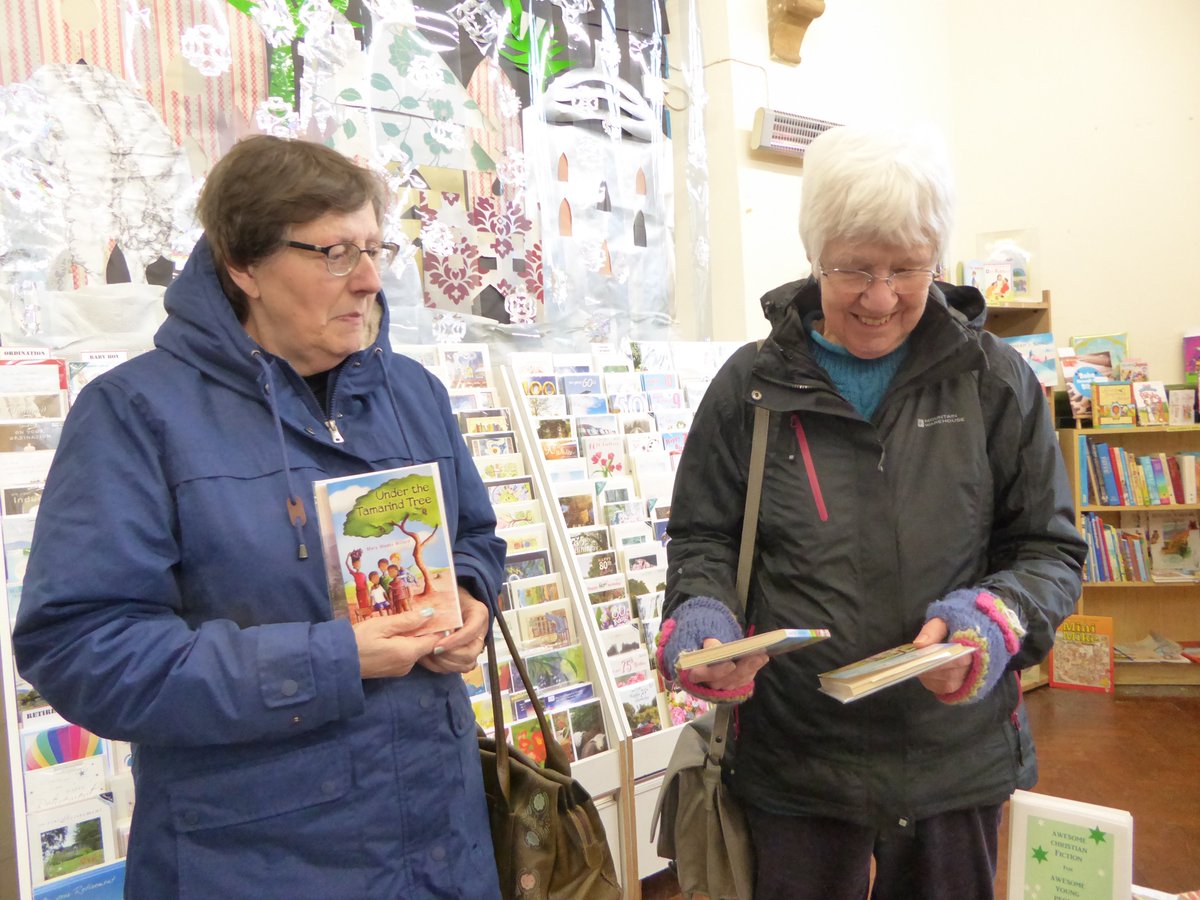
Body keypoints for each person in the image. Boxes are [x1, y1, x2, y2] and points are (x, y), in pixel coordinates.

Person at [13, 135, 506, 899]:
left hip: (439, 840)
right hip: (258, 859)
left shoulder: (412, 393)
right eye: (336, 253)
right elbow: (84, 650)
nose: (370, 280)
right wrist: (332, 660)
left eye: (376, 248)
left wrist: (471, 598)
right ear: (244, 266)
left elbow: (475, 535)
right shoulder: (135, 415)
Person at [655, 124, 1085, 900]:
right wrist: (702, 622)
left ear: (938, 260)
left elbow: (1049, 549)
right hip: (797, 762)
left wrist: (991, 619)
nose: (880, 298)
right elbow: (702, 538)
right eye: (854, 268)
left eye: (906, 269)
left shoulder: (995, 381)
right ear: (814, 254)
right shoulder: (748, 388)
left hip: (953, 759)